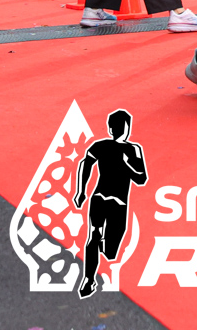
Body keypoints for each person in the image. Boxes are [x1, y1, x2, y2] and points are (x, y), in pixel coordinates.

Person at [70, 109, 147, 300]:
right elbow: (85, 164)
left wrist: (125, 166)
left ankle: (102, 249)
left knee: (109, 249)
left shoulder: (131, 149)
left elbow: (141, 178)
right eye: (120, 126)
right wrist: (81, 191)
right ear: (113, 128)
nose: (122, 130)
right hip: (105, 199)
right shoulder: (105, 146)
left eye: (124, 126)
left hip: (112, 202)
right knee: (94, 235)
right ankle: (89, 279)